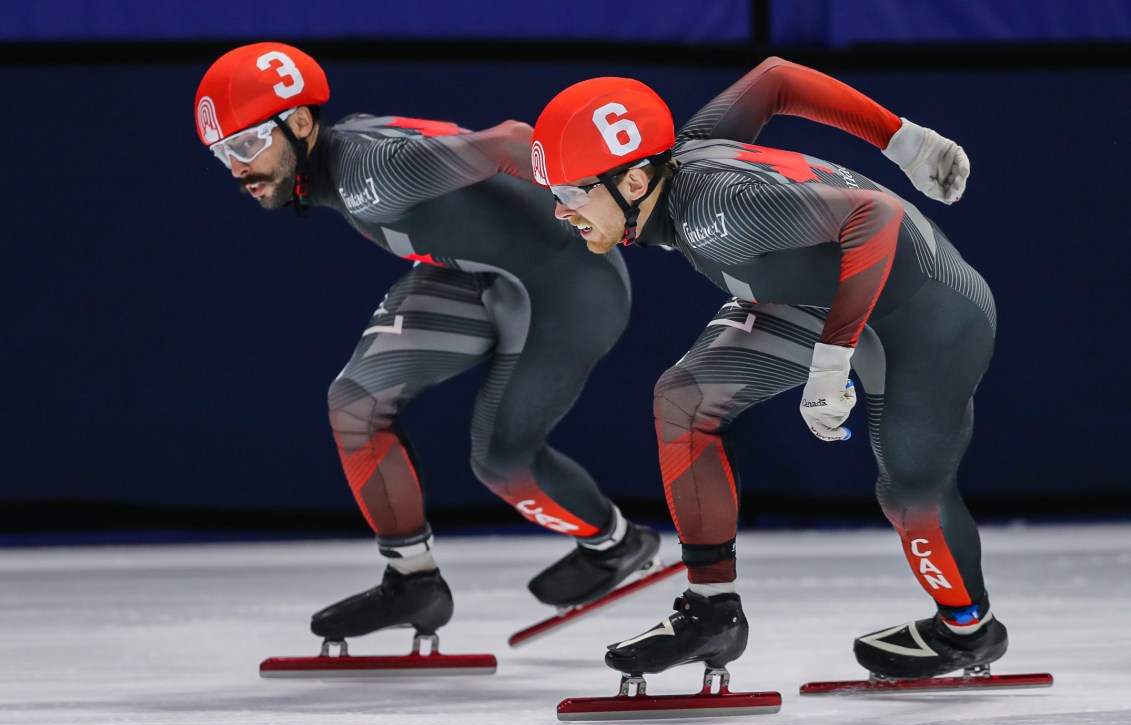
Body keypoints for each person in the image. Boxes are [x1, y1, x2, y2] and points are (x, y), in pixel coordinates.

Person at [530, 57, 1005, 681]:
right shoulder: (686, 152)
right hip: (816, 294)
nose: (563, 211)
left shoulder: (718, 210)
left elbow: (875, 218)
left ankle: (967, 629)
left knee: (911, 492)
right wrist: (904, 139)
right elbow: (777, 77)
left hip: (923, 316)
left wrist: (834, 357)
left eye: (572, 192)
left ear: (637, 183)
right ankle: (711, 611)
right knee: (685, 401)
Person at [193, 42, 664, 644]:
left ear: (301, 122)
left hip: (568, 287)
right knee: (356, 404)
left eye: (246, 144)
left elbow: (514, 140)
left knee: (502, 463)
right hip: (473, 269)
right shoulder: (345, 159)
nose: (235, 168)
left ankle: (617, 544)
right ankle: (412, 579)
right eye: (223, 152)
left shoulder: (376, 173)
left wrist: (616, 215)